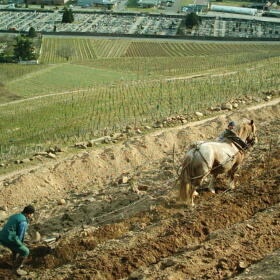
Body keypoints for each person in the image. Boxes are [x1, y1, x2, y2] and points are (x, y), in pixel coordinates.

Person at [0, 205, 35, 276]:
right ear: (29, 214)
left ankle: (13, 261)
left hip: (2, 237)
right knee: (25, 251)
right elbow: (20, 237)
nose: (32, 216)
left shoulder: (15, 215)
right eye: (32, 214)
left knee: (15, 247)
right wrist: (21, 245)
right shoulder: (23, 222)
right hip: (9, 238)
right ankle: (16, 269)